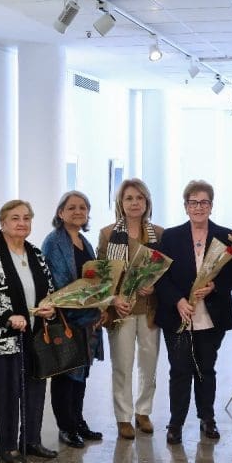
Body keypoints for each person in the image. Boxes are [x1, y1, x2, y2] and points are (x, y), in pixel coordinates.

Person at [155, 180, 232, 445]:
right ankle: (176, 423)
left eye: (204, 202)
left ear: (211, 205)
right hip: (178, 314)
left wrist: (216, 286)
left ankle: (208, 418)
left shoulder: (226, 236)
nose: (198, 207)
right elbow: (160, 275)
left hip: (211, 314)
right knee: (180, 370)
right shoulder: (170, 237)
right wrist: (178, 301)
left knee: (206, 369)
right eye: (193, 202)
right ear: (185, 206)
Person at [0, 200, 58, 463]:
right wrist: (9, 316)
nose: (22, 223)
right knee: (9, 391)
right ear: (2, 223)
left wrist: (49, 307)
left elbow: (49, 287)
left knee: (35, 388)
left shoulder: (35, 253)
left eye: (27, 218)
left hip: (35, 334)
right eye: (15, 218)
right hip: (6, 336)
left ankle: (30, 441)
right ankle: (8, 446)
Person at [98, 179, 164, 439]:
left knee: (149, 366)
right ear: (120, 203)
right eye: (129, 198)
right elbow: (102, 276)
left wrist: (155, 286)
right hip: (122, 310)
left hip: (150, 310)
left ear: (147, 202)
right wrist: (114, 299)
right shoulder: (107, 234)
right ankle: (123, 417)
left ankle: (143, 411)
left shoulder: (160, 233)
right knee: (122, 365)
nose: (135, 202)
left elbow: (166, 271)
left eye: (140, 197)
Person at [41, 191, 104, 449]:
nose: (78, 211)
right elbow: (55, 281)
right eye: (72, 207)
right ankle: (66, 427)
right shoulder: (53, 241)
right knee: (65, 375)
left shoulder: (84, 242)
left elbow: (94, 278)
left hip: (87, 318)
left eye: (83, 207)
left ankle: (78, 421)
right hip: (66, 318)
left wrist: (99, 304)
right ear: (61, 213)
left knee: (81, 375)